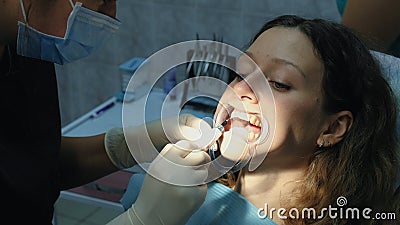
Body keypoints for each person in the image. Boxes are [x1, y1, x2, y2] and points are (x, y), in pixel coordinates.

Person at [121, 15, 400, 224]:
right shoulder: (158, 198)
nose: (242, 91)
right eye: (241, 73)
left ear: (333, 127)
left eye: (279, 83)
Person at [0, 0, 209, 224]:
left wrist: (127, 146)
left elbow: (31, 164)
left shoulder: (24, 47)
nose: (109, 12)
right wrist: (142, 218)